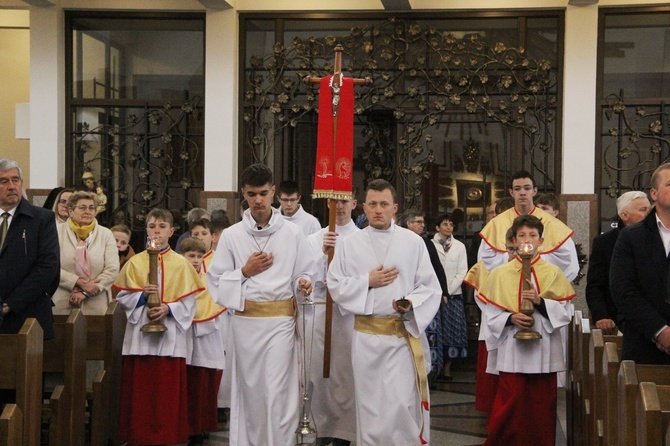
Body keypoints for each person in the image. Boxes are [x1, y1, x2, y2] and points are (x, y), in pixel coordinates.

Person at [327, 179, 441, 445]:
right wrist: (367, 281)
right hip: (366, 339)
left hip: (401, 338)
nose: (379, 210)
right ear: (363, 208)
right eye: (373, 204)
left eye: (384, 204)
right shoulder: (349, 244)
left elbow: (430, 287)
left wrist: (410, 302)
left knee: (401, 405)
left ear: (395, 208)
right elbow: (335, 285)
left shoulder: (413, 243)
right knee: (370, 408)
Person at [206, 163, 314, 446]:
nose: (258, 200)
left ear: (274, 192)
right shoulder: (232, 236)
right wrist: (244, 271)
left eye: (264, 193)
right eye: (252, 194)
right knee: (252, 394)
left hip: (280, 322)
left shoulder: (292, 233)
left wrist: (303, 282)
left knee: (277, 391)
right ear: (243, 194)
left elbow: (306, 270)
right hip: (245, 324)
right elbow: (214, 282)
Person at [479, 214, 575, 445]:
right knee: (510, 402)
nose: (527, 240)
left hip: (543, 349)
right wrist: (511, 318)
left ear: (541, 241)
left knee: (541, 405)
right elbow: (490, 312)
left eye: (533, 235)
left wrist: (541, 302)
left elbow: (565, 311)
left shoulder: (553, 273)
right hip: (513, 349)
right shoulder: (500, 274)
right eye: (521, 235)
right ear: (513, 240)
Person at [113, 208, 204, 445]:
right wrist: (142, 297)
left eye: (162, 227)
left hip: (170, 337)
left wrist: (168, 309)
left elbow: (189, 303)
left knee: (166, 393)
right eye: (152, 226)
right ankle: (139, 436)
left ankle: (167, 436)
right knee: (141, 392)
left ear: (172, 231)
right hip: (140, 336)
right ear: (147, 230)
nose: (157, 231)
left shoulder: (182, 264)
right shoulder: (135, 262)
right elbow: (123, 297)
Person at [304, 195, 359, 446]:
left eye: (345, 202)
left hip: (347, 315)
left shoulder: (362, 239)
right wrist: (321, 253)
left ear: (355, 204)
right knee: (317, 374)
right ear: (328, 204)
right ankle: (318, 427)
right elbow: (302, 276)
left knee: (345, 376)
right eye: (335, 202)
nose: (340, 207)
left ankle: (344, 433)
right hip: (320, 312)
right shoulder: (314, 239)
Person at [611, 162, 670, 365]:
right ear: (654, 194)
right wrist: (660, 331)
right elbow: (623, 289)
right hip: (644, 345)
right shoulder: (631, 237)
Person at [477, 170, 579, 281]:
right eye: (517, 189)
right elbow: (484, 260)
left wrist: (535, 260)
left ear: (534, 191)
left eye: (527, 188)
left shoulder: (552, 223)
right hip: (507, 285)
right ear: (511, 192)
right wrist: (509, 257)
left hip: (541, 286)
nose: (522, 192)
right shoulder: (496, 224)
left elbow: (568, 261)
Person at [0, 158, 60, 340]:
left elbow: (48, 268)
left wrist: (10, 304)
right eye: (4, 181)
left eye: (15, 180)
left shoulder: (42, 219)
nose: (11, 186)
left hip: (28, 316)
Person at [180, 237, 226, 446]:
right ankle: (184, 428)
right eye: (191, 256)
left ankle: (199, 428)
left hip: (207, 337)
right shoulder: (177, 278)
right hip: (183, 337)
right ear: (182, 257)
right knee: (187, 384)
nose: (196, 260)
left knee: (202, 384)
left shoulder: (209, 279)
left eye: (199, 256)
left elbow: (216, 304)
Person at [464, 227, 515, 415]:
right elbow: (485, 299)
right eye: (511, 249)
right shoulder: (497, 271)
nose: (515, 254)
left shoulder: (543, 269)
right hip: (503, 328)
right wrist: (508, 317)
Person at [586, 191, 650, 335]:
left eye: (650, 209)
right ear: (624, 215)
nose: (649, 214)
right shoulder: (604, 243)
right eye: (643, 210)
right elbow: (595, 285)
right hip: (616, 319)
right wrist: (601, 315)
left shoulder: (658, 239)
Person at [52, 191, 119, 315]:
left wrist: (86, 292)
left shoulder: (105, 234)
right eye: (82, 207)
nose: (88, 212)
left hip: (96, 305)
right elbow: (51, 266)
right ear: (71, 211)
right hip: (63, 303)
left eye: (91, 208)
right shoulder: (56, 233)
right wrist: (78, 282)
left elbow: (112, 269)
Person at [403, 209, 449, 387]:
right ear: (408, 223)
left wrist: (443, 291)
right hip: (408, 298)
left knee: (432, 337)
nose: (422, 225)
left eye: (423, 222)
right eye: (418, 221)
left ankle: (432, 374)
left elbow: (437, 269)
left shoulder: (427, 244)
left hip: (427, 296)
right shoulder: (402, 241)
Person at [432, 213, 468, 381]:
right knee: (436, 333)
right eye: (444, 224)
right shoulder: (429, 245)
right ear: (437, 227)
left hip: (454, 296)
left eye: (451, 224)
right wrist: (440, 292)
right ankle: (434, 370)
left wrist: (448, 291)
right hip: (434, 295)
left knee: (452, 333)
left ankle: (447, 369)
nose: (448, 227)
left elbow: (462, 271)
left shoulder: (459, 246)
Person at [468, 201, 497, 268]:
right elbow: (472, 261)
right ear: (487, 216)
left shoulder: (509, 234)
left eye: (497, 212)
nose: (494, 215)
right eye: (491, 212)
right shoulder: (478, 236)